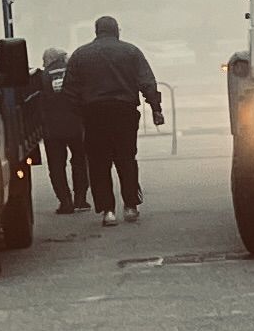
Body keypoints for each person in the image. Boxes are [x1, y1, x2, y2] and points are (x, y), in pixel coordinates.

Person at [61, 14, 166, 226]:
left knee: (99, 164)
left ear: (96, 31)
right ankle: (130, 206)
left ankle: (107, 210)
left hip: (94, 115)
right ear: (116, 30)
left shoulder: (80, 55)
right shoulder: (131, 51)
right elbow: (147, 82)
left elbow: (69, 91)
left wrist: (80, 114)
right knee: (127, 160)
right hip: (124, 113)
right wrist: (156, 108)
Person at [28, 48, 87, 217]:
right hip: (76, 125)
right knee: (80, 161)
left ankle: (65, 201)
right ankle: (81, 199)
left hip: (52, 129)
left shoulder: (40, 76)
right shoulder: (74, 71)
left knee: (56, 166)